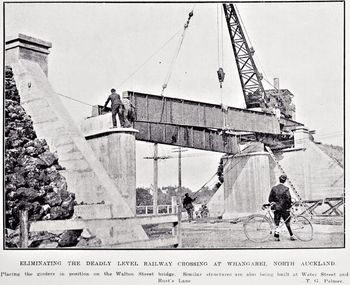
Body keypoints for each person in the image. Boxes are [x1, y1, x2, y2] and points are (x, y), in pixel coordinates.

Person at [268, 174, 297, 241]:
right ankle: (291, 235)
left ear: (279, 180)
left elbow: (270, 199)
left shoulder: (274, 188)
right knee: (287, 222)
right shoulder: (286, 189)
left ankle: (276, 237)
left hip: (276, 208)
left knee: (277, 222)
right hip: (284, 208)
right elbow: (288, 199)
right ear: (285, 181)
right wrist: (289, 206)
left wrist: (273, 203)